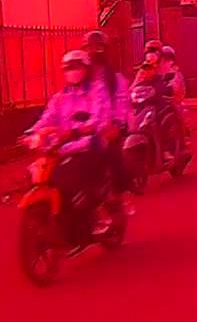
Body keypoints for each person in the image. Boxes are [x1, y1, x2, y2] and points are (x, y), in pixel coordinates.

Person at [26, 49, 110, 232]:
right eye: (68, 68)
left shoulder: (97, 91)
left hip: (89, 145)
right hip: (61, 148)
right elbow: (47, 118)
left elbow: (98, 120)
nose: (73, 71)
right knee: (39, 174)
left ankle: (97, 215)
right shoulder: (60, 97)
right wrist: (31, 133)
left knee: (76, 178)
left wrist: (75, 132)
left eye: (76, 67)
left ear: (86, 69)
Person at [83, 31, 134, 210]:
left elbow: (121, 103)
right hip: (84, 127)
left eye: (97, 47)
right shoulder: (82, 77)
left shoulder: (115, 79)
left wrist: (117, 123)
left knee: (111, 154)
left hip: (109, 126)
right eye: (89, 48)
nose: (93, 51)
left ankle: (120, 192)